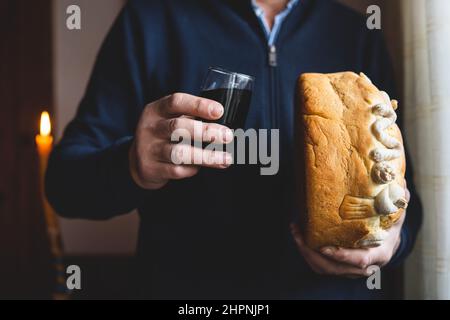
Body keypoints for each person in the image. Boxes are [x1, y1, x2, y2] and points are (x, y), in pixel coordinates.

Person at [46, 0, 422, 299]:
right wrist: (130, 164)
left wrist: (391, 243)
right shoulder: (149, 19)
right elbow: (64, 184)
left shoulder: (355, 31)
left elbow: (410, 200)